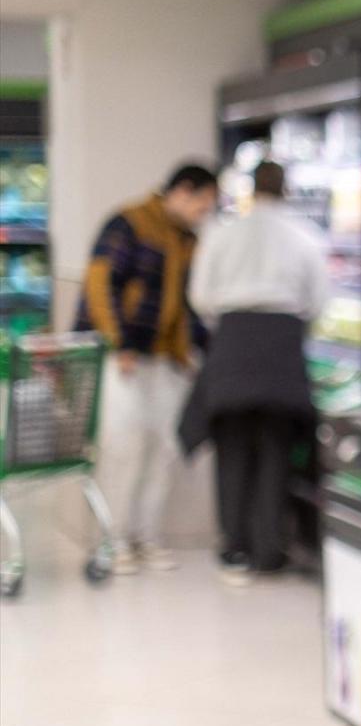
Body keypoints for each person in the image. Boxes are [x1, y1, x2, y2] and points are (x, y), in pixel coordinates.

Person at [181, 160, 329, 583]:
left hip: (232, 342)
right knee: (275, 450)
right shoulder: (305, 237)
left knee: (232, 451)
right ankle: (270, 551)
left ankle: (235, 549)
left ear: (251, 188)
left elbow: (201, 297)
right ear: (286, 190)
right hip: (282, 347)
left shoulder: (222, 234)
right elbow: (318, 301)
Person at [75, 163, 218, 575]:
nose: (202, 214)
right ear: (182, 191)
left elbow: (187, 303)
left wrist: (198, 349)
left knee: (163, 448)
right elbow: (100, 284)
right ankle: (112, 539)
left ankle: (145, 537)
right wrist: (119, 342)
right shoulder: (129, 224)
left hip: (165, 360)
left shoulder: (188, 240)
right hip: (124, 358)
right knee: (123, 448)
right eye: (202, 204)